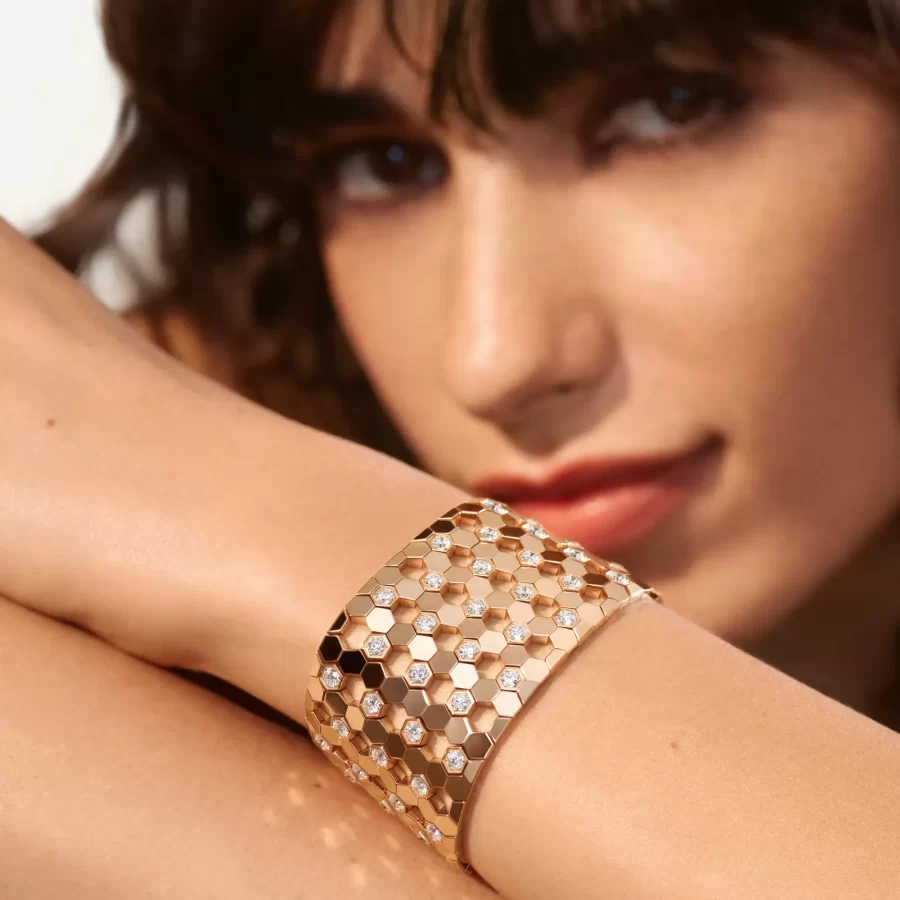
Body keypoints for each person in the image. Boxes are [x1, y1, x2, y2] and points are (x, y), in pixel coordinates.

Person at [2, 0, 899, 896]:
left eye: (670, 109)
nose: (495, 359)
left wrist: (240, 514)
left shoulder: (172, 485)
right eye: (384, 164)